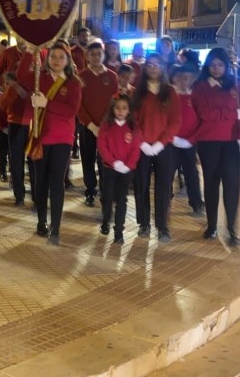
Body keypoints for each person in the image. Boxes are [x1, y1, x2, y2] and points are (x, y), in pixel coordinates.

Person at [17, 42, 82, 245]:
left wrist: (47, 103)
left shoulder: (73, 83)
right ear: (47, 58)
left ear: (67, 60)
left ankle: (56, 226)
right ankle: (41, 221)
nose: (56, 61)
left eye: (61, 57)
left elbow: (71, 110)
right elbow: (21, 77)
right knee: (40, 181)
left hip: (62, 138)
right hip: (40, 136)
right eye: (53, 57)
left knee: (57, 183)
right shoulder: (40, 78)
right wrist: (29, 50)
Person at [192, 47, 240, 245]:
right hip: (208, 142)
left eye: (220, 64)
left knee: (232, 186)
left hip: (232, 143)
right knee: (211, 184)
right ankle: (211, 226)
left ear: (226, 66)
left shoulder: (237, 84)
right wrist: (234, 114)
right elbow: (205, 114)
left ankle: (232, 229)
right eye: (212, 65)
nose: (216, 68)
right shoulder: (200, 87)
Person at [132, 53, 181, 243]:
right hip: (141, 146)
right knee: (141, 184)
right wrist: (142, 143)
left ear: (163, 67)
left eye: (157, 64)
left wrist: (161, 143)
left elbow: (175, 121)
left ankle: (163, 226)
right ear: (145, 68)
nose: (153, 68)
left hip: (164, 147)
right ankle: (144, 223)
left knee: (163, 187)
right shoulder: (137, 93)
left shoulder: (170, 92)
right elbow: (132, 121)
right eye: (150, 64)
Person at [77, 40, 118, 207]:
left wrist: (104, 123)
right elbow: (78, 104)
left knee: (105, 160)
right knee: (87, 158)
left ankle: (105, 191)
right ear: (87, 56)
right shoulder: (81, 76)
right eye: (92, 54)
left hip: (107, 127)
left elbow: (115, 101)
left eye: (98, 54)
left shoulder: (112, 76)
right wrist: (91, 125)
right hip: (87, 127)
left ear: (104, 55)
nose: (95, 57)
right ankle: (90, 190)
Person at [97, 94, 142, 243]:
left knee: (122, 199)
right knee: (108, 196)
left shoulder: (133, 128)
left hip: (126, 171)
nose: (120, 111)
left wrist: (128, 166)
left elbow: (136, 148)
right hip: (110, 167)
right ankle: (105, 220)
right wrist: (113, 162)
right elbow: (102, 146)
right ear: (112, 109)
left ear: (129, 110)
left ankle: (119, 231)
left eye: (124, 108)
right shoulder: (106, 126)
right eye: (117, 108)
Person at [170, 63, 204, 213]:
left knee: (191, 173)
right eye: (184, 78)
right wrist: (171, 137)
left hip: (190, 142)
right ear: (176, 79)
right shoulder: (171, 96)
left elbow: (200, 119)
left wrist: (192, 139)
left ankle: (196, 201)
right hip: (172, 142)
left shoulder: (195, 97)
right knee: (168, 172)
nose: (187, 81)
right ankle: (165, 198)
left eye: (190, 78)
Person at [0, 71, 33, 206]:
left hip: (31, 124)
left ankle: (36, 194)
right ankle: (19, 195)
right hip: (15, 125)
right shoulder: (12, 87)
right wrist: (12, 88)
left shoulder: (34, 82)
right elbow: (3, 105)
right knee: (16, 161)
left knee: (34, 161)